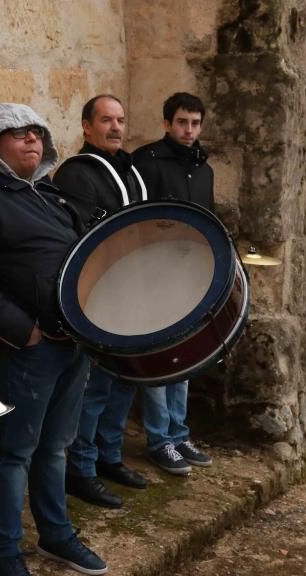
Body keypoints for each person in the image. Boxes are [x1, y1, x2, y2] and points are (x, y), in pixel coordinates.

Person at [0, 103, 107, 576]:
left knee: (55, 447)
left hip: (74, 338)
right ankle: (4, 551)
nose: (32, 142)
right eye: (18, 135)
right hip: (30, 347)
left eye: (37, 134)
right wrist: (23, 332)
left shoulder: (47, 192)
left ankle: (56, 535)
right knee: (15, 451)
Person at [52, 94, 150, 508]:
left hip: (133, 290)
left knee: (127, 377)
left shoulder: (129, 170)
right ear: (86, 127)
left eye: (121, 120)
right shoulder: (77, 175)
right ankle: (82, 468)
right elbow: (79, 239)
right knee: (96, 385)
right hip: (99, 295)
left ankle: (109, 456)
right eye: (106, 120)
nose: (115, 127)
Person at [132, 92, 215, 475]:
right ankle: (158, 440)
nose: (189, 130)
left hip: (191, 278)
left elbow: (208, 219)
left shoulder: (204, 168)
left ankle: (179, 433)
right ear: (167, 123)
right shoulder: (145, 162)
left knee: (185, 357)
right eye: (182, 122)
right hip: (153, 275)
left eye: (195, 123)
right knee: (159, 361)